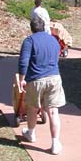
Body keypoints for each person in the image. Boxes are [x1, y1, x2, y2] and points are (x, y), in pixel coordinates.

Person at [18, 17, 65, 154]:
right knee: (53, 111)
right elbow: (57, 56)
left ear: (31, 28)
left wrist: (21, 79)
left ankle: (31, 134)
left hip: (36, 79)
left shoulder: (29, 41)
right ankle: (55, 143)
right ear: (44, 26)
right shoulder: (54, 40)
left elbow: (23, 62)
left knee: (32, 108)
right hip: (54, 77)